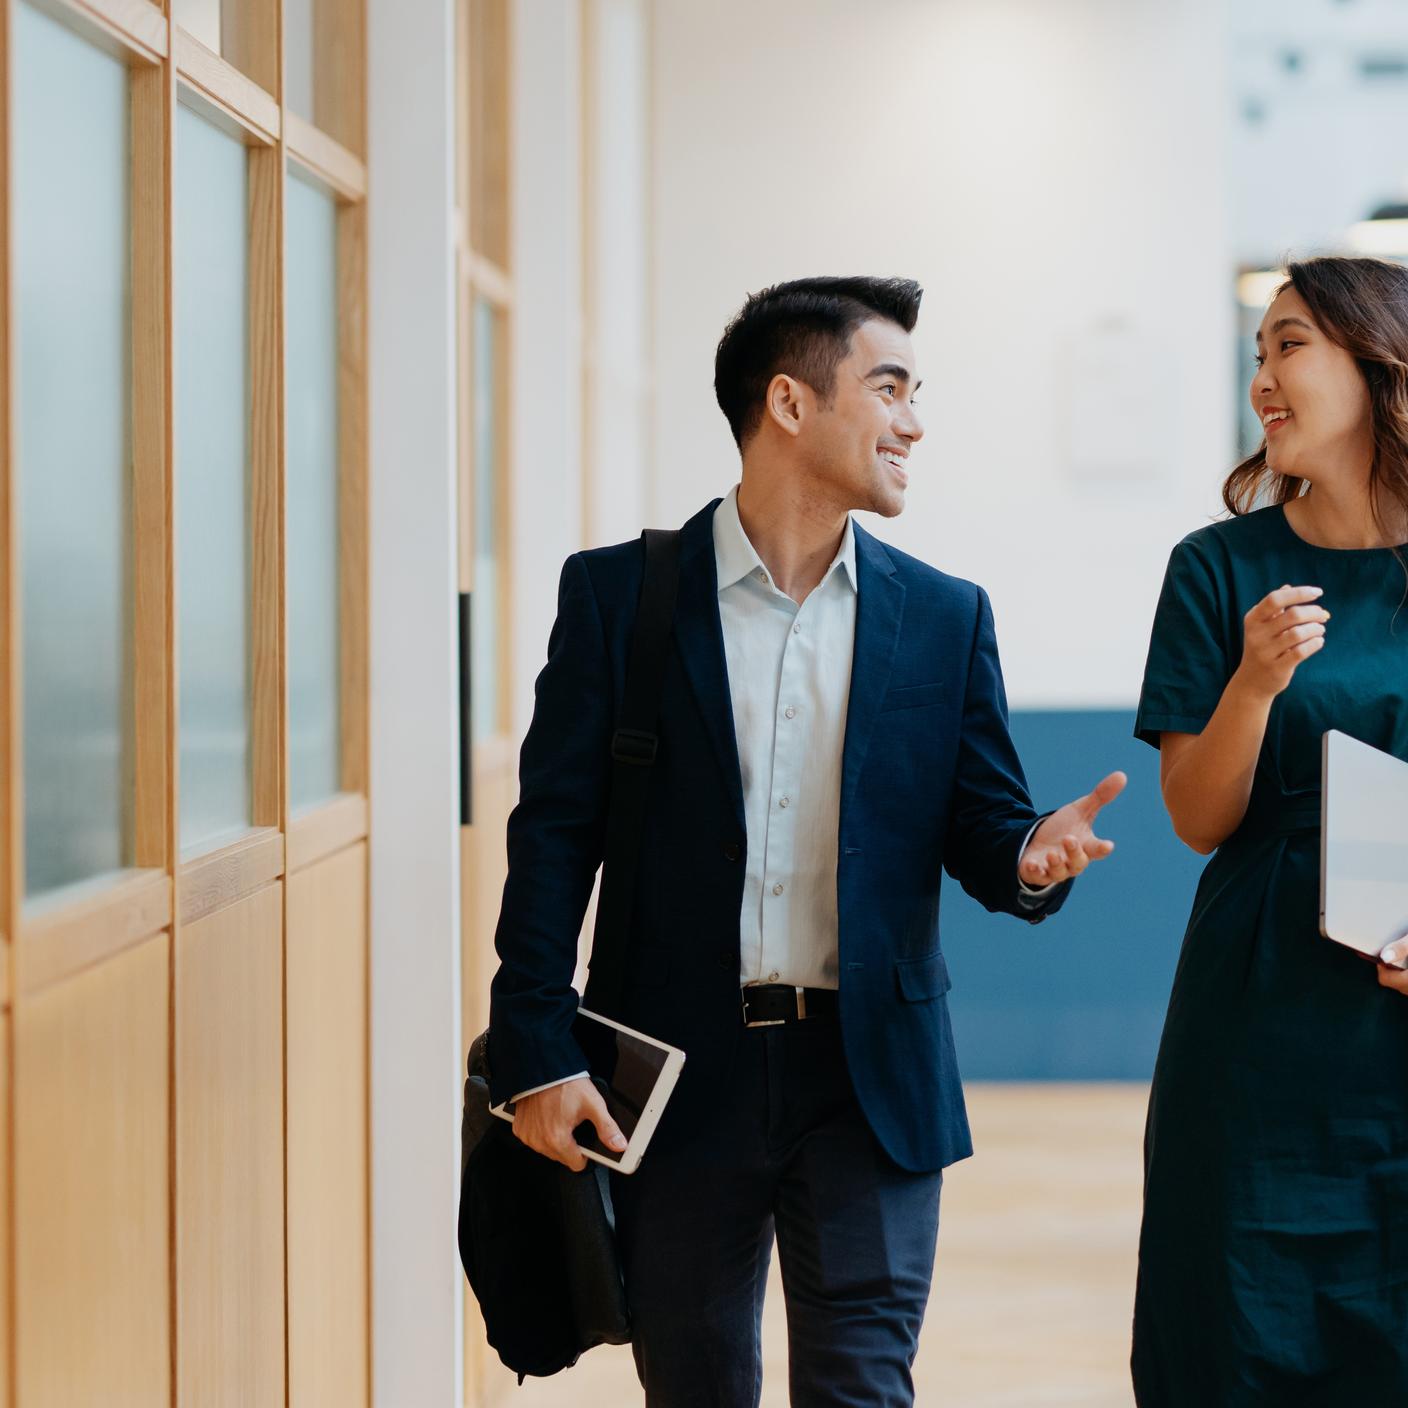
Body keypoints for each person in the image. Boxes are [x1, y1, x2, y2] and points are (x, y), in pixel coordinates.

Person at [488, 275, 1124, 1406]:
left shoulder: (943, 614)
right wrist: (536, 1048)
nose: (914, 421)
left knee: (863, 1390)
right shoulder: (619, 600)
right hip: (673, 1078)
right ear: (789, 401)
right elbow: (551, 843)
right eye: (889, 388)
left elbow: (984, 824)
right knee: (696, 1389)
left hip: (866, 1077)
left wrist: (1029, 857)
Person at [1131, 255, 1408, 1405]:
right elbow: (1197, 818)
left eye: (1289, 344)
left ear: (1379, 363)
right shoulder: (1216, 566)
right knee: (1235, 1328)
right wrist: (1250, 684)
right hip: (1255, 1021)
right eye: (1258, 352)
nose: (1263, 379)